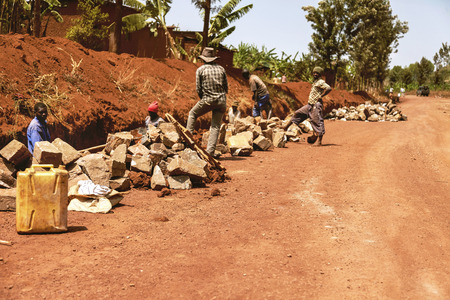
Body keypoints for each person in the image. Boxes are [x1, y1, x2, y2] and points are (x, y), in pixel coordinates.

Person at [187, 47, 228, 158]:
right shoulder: (221, 69)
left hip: (208, 99)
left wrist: (204, 99)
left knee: (192, 114)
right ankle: (210, 152)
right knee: (215, 126)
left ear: (203, 59)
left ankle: (188, 143)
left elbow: (198, 89)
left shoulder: (201, 70)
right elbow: (226, 87)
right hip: (221, 101)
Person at [283, 66, 332, 146]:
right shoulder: (315, 82)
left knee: (317, 121)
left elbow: (328, 88)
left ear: (320, 74)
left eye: (317, 73)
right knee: (297, 113)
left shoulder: (320, 82)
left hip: (316, 105)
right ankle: (285, 127)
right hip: (310, 105)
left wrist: (321, 96)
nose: (315, 74)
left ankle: (319, 141)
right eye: (314, 73)